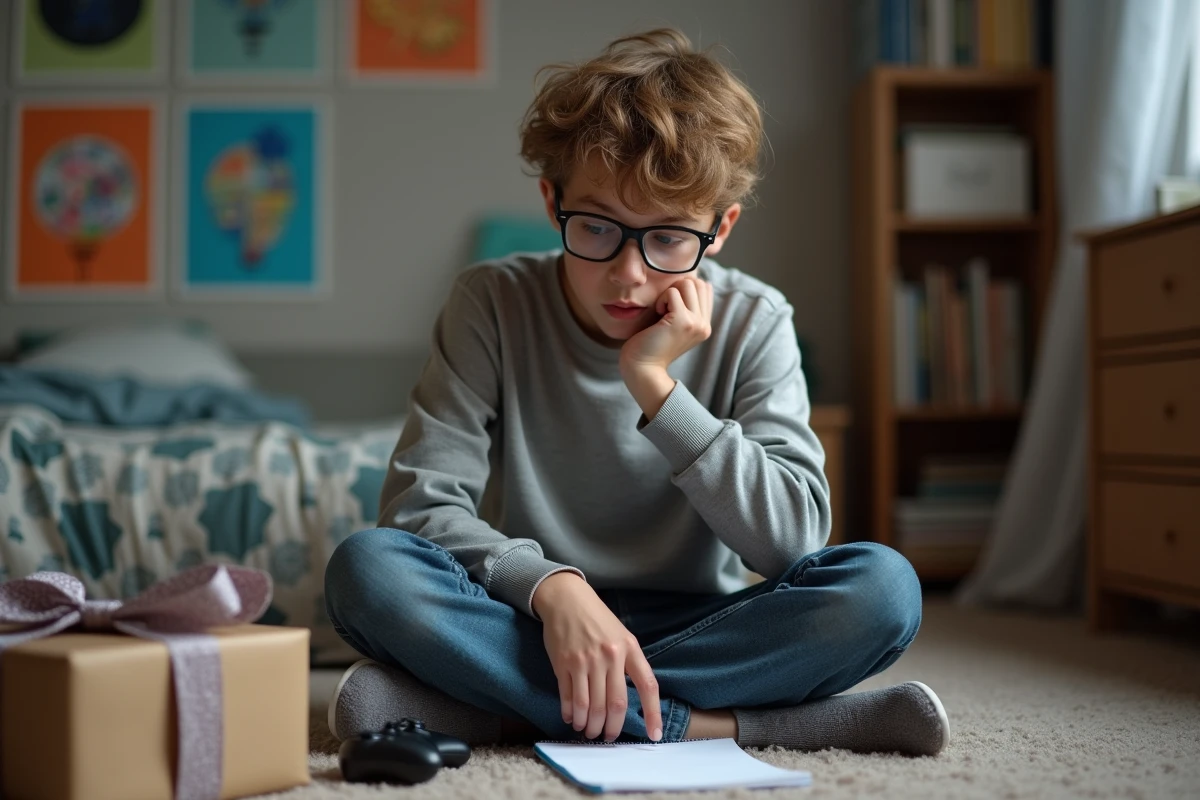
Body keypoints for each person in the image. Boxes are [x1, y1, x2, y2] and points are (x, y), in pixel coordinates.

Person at [324, 28, 948, 756]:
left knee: (882, 590)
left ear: (720, 229)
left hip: (705, 622)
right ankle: (750, 726)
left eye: (669, 238)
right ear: (552, 200)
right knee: (368, 570)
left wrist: (656, 387)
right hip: (531, 615)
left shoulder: (756, 320)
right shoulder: (490, 302)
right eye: (596, 227)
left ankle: (508, 713)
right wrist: (555, 589)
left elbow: (794, 542)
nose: (628, 275)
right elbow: (419, 508)